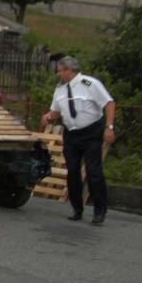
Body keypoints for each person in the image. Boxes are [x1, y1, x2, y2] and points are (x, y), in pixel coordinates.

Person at [40, 56, 115, 225]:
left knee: (93, 171)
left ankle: (99, 210)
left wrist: (109, 127)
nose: (58, 74)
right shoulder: (59, 90)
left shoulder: (89, 84)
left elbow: (109, 103)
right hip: (72, 135)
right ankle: (77, 209)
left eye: (60, 71)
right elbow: (57, 111)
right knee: (72, 171)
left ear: (68, 70)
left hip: (91, 133)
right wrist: (48, 116)